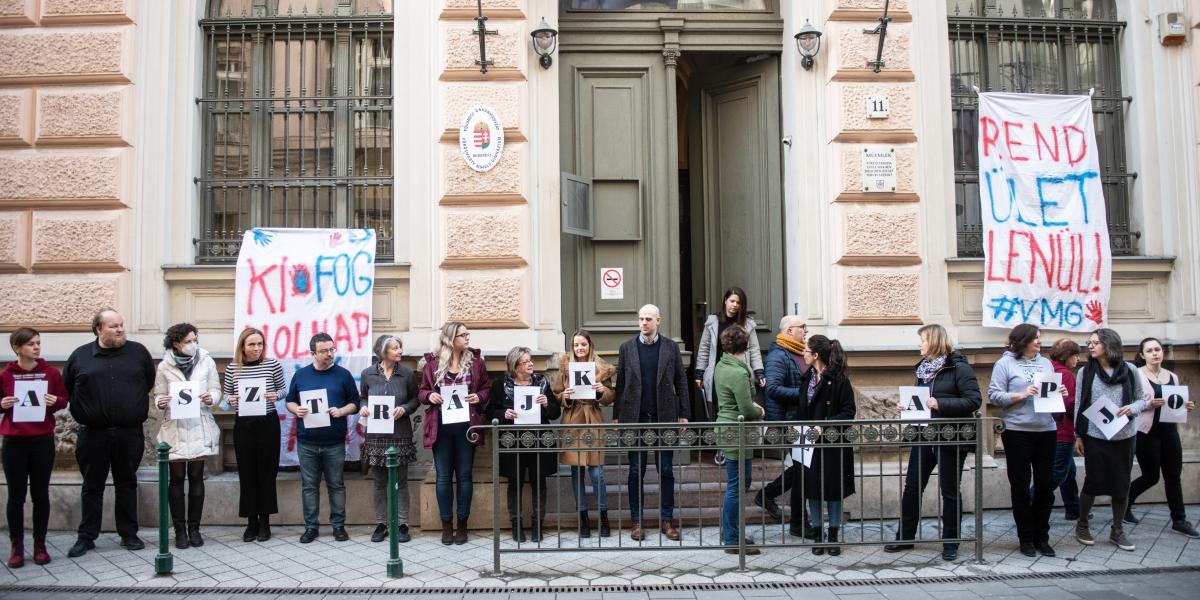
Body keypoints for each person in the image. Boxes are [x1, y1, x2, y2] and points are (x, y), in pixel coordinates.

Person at [885, 324, 982, 561]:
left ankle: (951, 542)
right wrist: (906, 407)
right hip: (923, 436)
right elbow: (922, 402)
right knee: (912, 487)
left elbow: (974, 400)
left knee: (949, 490)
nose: (920, 344)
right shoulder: (923, 370)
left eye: (923, 340)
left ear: (935, 341)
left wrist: (941, 404)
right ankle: (905, 538)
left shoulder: (959, 368)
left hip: (949, 437)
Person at [64, 308, 155, 557]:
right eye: (114, 326)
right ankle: (87, 537)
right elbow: (69, 387)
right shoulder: (81, 356)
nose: (120, 329)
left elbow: (148, 381)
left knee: (127, 482)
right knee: (92, 486)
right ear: (98, 329)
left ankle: (129, 534)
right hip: (93, 434)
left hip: (129, 433)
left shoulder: (138, 353)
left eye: (121, 324)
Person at [615, 304, 690, 542]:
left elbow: (681, 381)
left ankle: (667, 521)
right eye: (640, 319)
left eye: (648, 319)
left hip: (664, 417)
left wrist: (684, 413)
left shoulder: (671, 348)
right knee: (636, 471)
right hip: (635, 419)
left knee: (665, 470)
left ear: (659, 320)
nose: (643, 323)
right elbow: (621, 384)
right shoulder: (627, 348)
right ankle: (636, 522)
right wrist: (617, 416)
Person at [1074, 328, 1148, 551]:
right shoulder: (1086, 372)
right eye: (1089, 342)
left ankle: (1117, 530)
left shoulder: (1131, 370)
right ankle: (1083, 523)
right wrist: (1079, 435)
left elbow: (1141, 399)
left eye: (1095, 342)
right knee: (1093, 481)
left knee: (1121, 483)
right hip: (1096, 436)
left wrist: (1132, 409)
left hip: (1125, 436)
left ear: (1109, 345)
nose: (1090, 346)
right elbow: (1080, 403)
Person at [988, 323, 1057, 558]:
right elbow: (994, 395)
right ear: (1023, 340)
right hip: (1017, 431)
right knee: (1020, 486)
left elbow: (1051, 394)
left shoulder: (1046, 363)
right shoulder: (1004, 363)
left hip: (1046, 430)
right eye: (1035, 338)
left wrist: (1060, 394)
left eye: (1040, 338)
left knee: (1045, 487)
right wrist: (1022, 394)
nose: (1039, 342)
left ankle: (1042, 537)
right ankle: (1025, 538)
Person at [419, 322, 491, 545]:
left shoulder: (476, 362)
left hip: (466, 427)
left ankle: (462, 524)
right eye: (463, 334)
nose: (468, 337)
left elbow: (486, 388)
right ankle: (446, 525)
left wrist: (478, 397)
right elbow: (421, 391)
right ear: (451, 339)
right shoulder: (432, 364)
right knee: (442, 477)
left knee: (464, 476)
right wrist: (429, 396)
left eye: (468, 333)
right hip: (441, 425)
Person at [1, 328, 68, 567]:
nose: (37, 347)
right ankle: (16, 546)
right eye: (31, 344)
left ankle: (40, 544)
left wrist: (56, 401)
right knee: (15, 496)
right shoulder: (6, 375)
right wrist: (2, 403)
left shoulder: (50, 373)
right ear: (17, 348)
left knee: (41, 494)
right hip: (14, 442)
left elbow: (63, 398)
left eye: (38, 343)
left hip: (42, 440)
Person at [151, 323, 222, 550]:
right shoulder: (164, 367)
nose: (194, 344)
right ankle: (179, 530)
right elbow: (159, 394)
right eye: (189, 341)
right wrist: (159, 401)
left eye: (195, 340)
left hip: (199, 424)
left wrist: (211, 397)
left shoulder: (206, 361)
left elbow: (216, 390)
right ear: (176, 344)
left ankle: (195, 528)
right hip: (176, 427)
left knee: (197, 477)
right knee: (177, 479)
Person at [284, 332, 359, 544]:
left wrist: (341, 411)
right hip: (307, 441)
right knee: (309, 486)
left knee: (336, 484)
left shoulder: (343, 375)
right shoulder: (301, 376)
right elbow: (289, 401)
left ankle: (338, 526)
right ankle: (311, 527)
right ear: (312, 354)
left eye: (331, 349)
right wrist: (295, 409)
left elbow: (355, 403)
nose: (329, 354)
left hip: (334, 441)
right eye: (324, 351)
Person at [489, 347, 562, 542]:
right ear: (515, 366)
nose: (531, 364)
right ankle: (516, 525)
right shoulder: (500, 385)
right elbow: (489, 411)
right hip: (512, 441)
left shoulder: (542, 382)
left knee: (539, 482)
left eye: (531, 361)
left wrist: (547, 403)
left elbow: (555, 413)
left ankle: (538, 524)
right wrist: (503, 414)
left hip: (539, 439)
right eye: (526, 361)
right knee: (515, 482)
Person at [1127, 337, 1197, 537]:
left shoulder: (1172, 376)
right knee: (1151, 476)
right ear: (1142, 355)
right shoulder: (1137, 375)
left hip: (1169, 432)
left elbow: (1175, 402)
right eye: (1149, 351)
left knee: (1173, 476)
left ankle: (1179, 520)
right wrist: (1149, 404)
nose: (1155, 353)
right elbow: (1130, 404)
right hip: (1146, 433)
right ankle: (1125, 503)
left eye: (1157, 349)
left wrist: (1186, 405)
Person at [792, 334, 855, 556]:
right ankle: (818, 534)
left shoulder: (839, 380)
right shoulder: (805, 378)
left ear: (816, 355)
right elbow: (801, 410)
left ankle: (833, 536)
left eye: (806, 351)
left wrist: (824, 426)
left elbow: (848, 412)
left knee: (833, 491)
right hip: (808, 442)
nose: (803, 354)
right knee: (813, 490)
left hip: (832, 444)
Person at [223, 327, 285, 542]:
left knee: (267, 472)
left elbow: (283, 390)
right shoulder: (233, 368)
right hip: (244, 423)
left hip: (267, 422)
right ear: (242, 346)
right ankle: (251, 521)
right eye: (252, 344)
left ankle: (265, 522)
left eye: (260, 344)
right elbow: (227, 396)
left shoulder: (272, 364)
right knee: (247, 472)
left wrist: (274, 395)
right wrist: (230, 400)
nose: (256, 348)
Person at [551, 329, 615, 538]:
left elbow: (610, 396)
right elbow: (556, 394)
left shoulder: (601, 368)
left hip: (593, 420)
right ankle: (583, 518)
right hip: (573, 420)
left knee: (597, 474)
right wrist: (565, 397)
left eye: (583, 344)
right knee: (577, 472)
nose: (580, 348)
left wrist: (600, 391)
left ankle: (604, 516)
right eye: (576, 345)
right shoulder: (565, 368)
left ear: (590, 346)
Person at [358, 334, 419, 543]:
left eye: (400, 347)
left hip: (400, 434)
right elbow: (363, 397)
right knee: (379, 482)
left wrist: (405, 408)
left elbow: (415, 399)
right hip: (375, 434)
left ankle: (402, 524)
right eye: (395, 348)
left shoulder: (408, 374)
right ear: (383, 352)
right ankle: (381, 523)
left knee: (401, 482)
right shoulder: (367, 374)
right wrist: (364, 407)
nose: (400, 351)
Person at [715, 326, 765, 555]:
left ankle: (730, 531)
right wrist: (760, 411)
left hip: (727, 428)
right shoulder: (737, 372)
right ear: (744, 346)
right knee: (738, 484)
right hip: (736, 430)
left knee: (738, 482)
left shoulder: (722, 365)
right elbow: (746, 407)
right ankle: (733, 539)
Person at [758, 315, 810, 534]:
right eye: (802, 327)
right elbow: (773, 389)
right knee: (802, 469)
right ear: (789, 331)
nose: (806, 331)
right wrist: (805, 394)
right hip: (789, 421)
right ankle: (800, 524)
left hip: (803, 420)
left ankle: (767, 495)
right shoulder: (779, 355)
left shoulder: (799, 351)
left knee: (802, 469)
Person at [694, 287, 764, 419]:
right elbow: (704, 348)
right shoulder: (713, 322)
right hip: (717, 371)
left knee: (741, 405)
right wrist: (700, 372)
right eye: (732, 301)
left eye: (738, 303)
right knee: (718, 407)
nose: (735, 305)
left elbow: (754, 349)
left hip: (739, 371)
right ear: (725, 300)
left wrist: (759, 371)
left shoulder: (747, 323)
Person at [1046, 339, 1083, 521]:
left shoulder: (1048, 369)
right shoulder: (1066, 375)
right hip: (1064, 430)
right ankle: (1031, 500)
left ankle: (1074, 508)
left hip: (1052, 428)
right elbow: (1069, 405)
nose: (1078, 359)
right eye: (1075, 355)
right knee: (1058, 473)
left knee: (1069, 471)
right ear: (1066, 356)